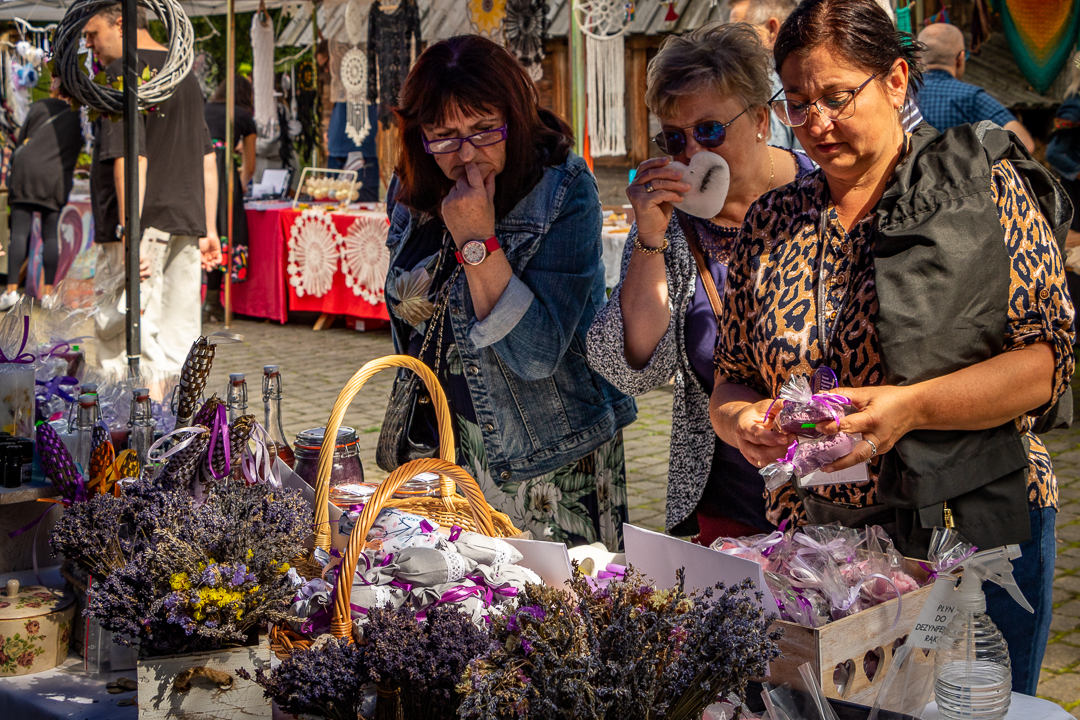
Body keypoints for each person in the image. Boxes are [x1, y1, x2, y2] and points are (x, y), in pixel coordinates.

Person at [710, 0, 1072, 696]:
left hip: (970, 530)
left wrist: (910, 409)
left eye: (838, 96)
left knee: (977, 710)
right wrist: (741, 424)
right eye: (799, 103)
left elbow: (1047, 363)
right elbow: (732, 379)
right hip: (823, 547)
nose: (817, 122)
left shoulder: (981, 186)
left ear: (898, 80)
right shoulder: (774, 219)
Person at [385, 35, 635, 549]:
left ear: (514, 118)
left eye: (483, 130)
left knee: (549, 620)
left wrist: (477, 240)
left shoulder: (563, 190)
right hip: (440, 458)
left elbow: (537, 355)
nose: (467, 155)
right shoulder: (412, 189)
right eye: (444, 136)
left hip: (545, 463)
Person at [586, 23, 814, 546]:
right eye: (675, 138)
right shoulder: (673, 227)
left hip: (837, 498)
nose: (692, 152)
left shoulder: (820, 195)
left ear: (760, 120)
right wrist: (650, 237)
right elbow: (635, 368)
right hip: (727, 505)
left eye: (710, 130)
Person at [84, 4, 220, 379]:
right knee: (180, 348)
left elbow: (132, 158)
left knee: (128, 350)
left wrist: (130, 232)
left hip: (141, 231)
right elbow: (209, 158)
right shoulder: (185, 76)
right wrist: (209, 229)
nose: (89, 44)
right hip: (185, 225)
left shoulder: (120, 73)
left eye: (93, 33)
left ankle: (141, 436)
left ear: (121, 23)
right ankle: (181, 432)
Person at [1, 80, 83, 308]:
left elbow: (22, 138)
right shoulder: (80, 117)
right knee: (50, 235)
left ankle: (10, 292)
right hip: (54, 178)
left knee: (19, 232)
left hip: (26, 173)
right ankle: (47, 296)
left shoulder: (39, 107)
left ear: (54, 89)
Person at [916, 22, 1035, 153]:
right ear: (960, 57)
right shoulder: (971, 97)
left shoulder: (900, 92)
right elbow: (1024, 144)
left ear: (919, 58)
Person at [203, 75, 257, 322]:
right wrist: (242, 185)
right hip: (223, 176)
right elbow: (250, 165)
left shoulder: (203, 108)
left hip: (196, 170)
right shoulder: (243, 117)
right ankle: (213, 301)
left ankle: (208, 302)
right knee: (226, 233)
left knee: (204, 232)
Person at [725, 0, 801, 151]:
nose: (728, 41)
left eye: (737, 31)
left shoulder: (762, 80)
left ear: (771, 29)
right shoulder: (808, 74)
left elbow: (772, 153)